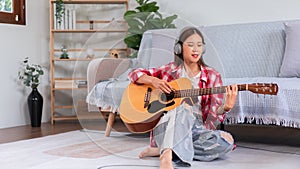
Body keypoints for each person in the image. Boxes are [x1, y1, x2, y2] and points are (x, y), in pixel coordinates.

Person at [128, 27, 238, 169]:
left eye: (199, 45)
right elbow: (134, 74)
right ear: (179, 48)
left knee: (226, 142)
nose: (196, 49)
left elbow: (212, 115)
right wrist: (153, 81)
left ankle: (162, 148)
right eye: (191, 45)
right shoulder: (169, 70)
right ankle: (166, 157)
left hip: (196, 128)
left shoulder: (213, 75)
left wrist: (225, 108)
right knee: (182, 108)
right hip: (169, 125)